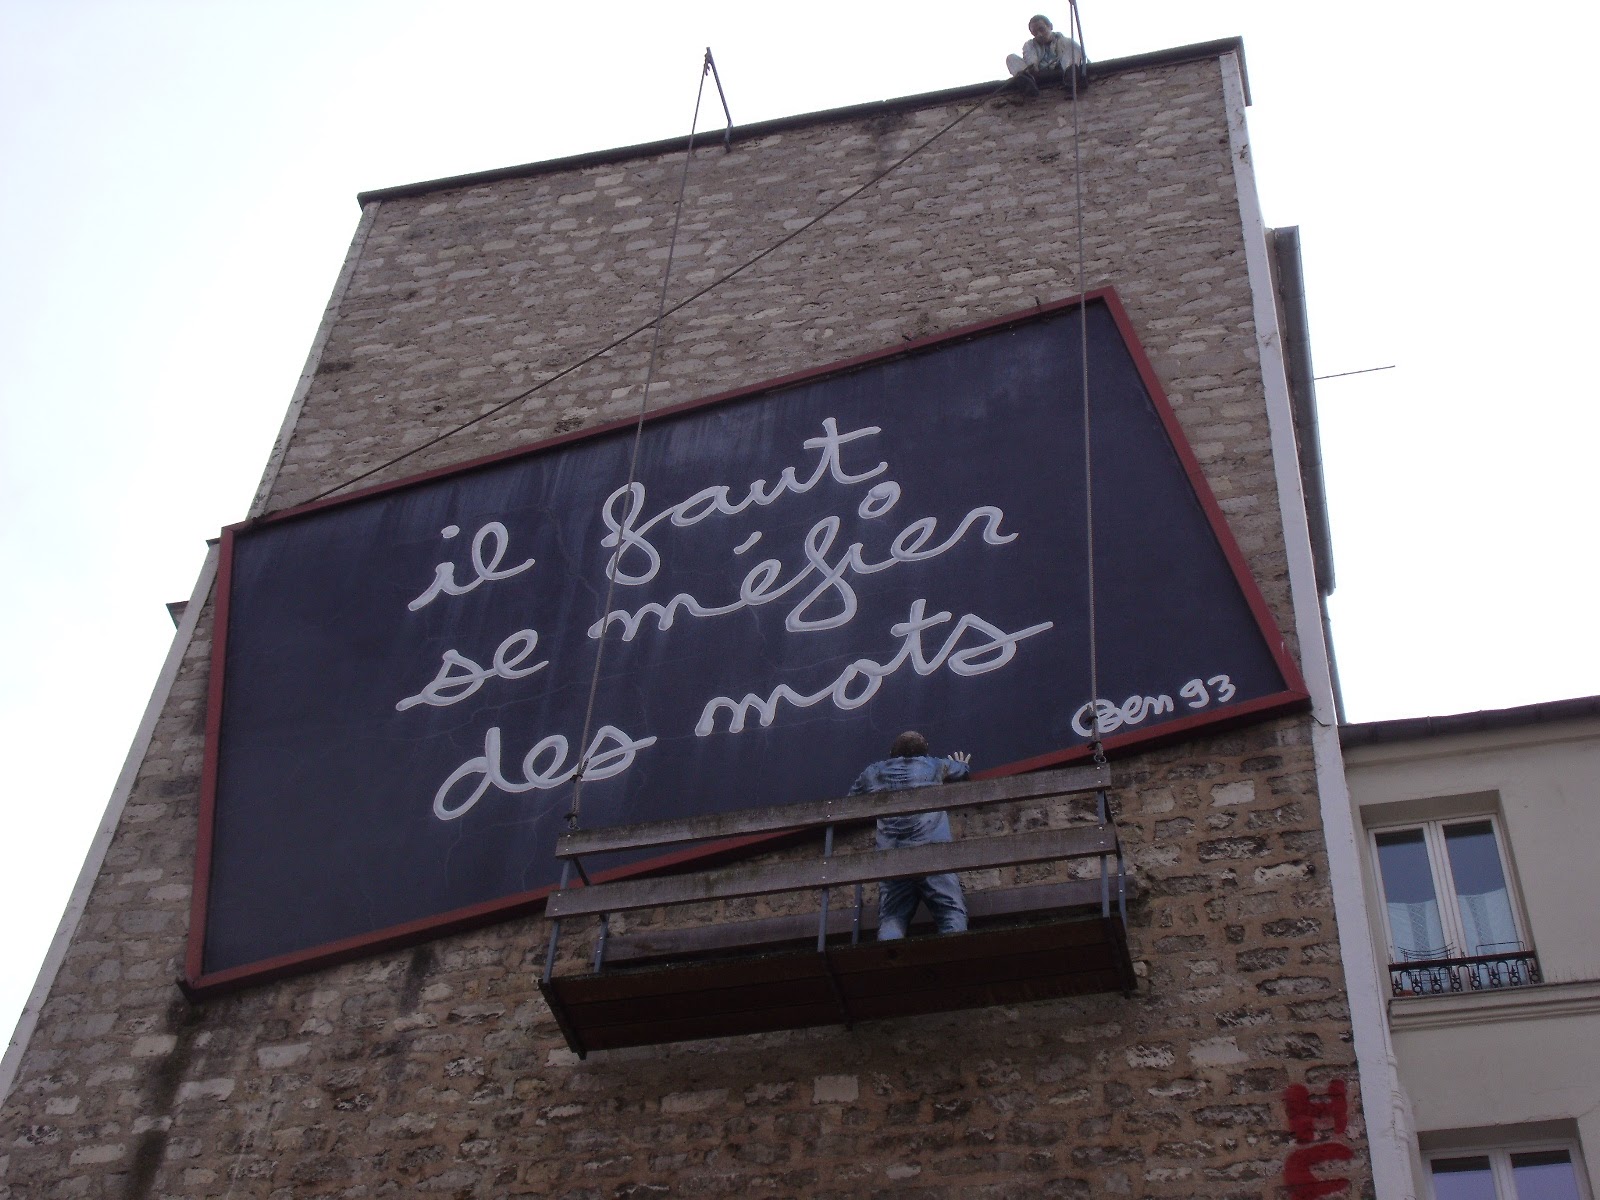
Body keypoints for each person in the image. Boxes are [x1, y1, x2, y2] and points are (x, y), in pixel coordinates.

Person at [848, 731, 972, 940]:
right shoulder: (934, 765)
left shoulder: (873, 772)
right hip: (932, 854)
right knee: (950, 912)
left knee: (892, 917)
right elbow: (960, 771)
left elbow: (851, 801)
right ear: (924, 752)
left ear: (892, 753)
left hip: (892, 858)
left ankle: (889, 953)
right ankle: (954, 953)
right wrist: (962, 764)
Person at [1006, 14, 1085, 95]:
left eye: (1042, 29)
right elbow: (1030, 58)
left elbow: (1079, 55)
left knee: (1073, 48)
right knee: (1011, 58)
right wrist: (1032, 66)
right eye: (1035, 32)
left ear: (1050, 26)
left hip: (1062, 68)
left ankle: (1071, 76)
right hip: (1037, 74)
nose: (1039, 35)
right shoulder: (1030, 45)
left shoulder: (1066, 41)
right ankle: (1027, 83)